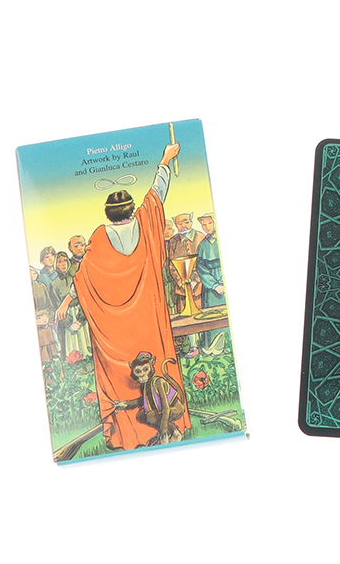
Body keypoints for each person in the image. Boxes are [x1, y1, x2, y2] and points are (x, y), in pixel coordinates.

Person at [54, 141, 189, 451]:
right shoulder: (146, 222)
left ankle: (130, 435)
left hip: (115, 331)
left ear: (109, 213)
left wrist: (66, 300)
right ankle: (166, 429)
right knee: (153, 368)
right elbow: (157, 194)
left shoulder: (100, 237)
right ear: (130, 209)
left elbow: (82, 278)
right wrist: (165, 159)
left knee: (125, 378)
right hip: (147, 321)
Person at [195, 215, 227, 353]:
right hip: (211, 289)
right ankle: (213, 347)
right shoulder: (203, 245)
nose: (207, 227)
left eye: (209, 223)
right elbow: (201, 268)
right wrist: (215, 285)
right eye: (204, 225)